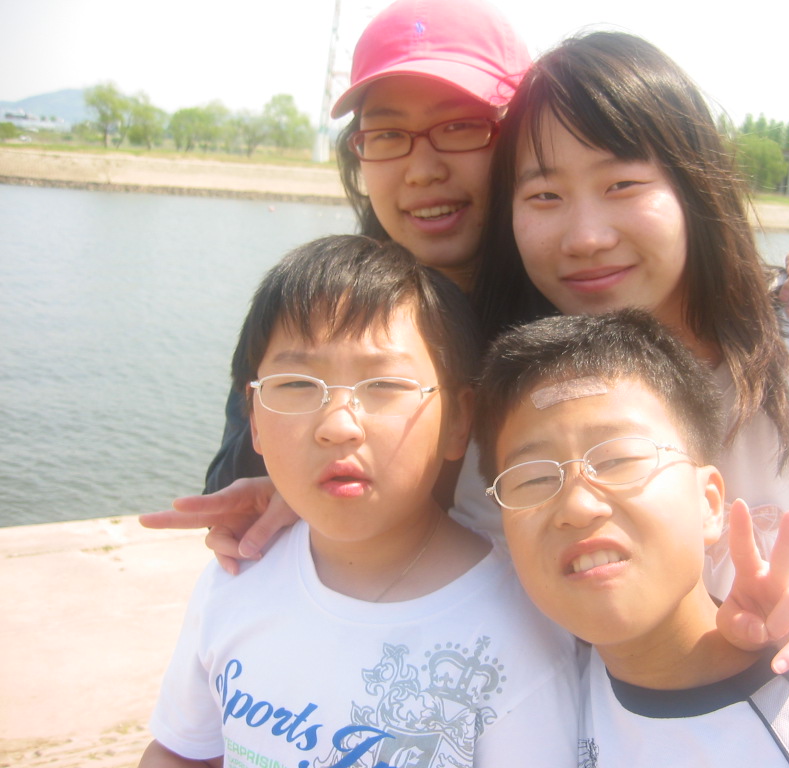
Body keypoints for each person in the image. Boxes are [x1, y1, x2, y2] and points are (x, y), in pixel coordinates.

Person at [193, 0, 789, 506]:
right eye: (387, 135)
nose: (423, 169)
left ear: (523, 140)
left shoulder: (579, 295)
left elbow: (743, 327)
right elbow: (236, 482)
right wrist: (286, 490)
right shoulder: (322, 311)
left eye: (461, 126)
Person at [468, 30, 789, 721]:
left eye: (622, 185)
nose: (587, 236)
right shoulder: (518, 392)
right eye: (544, 196)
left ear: (693, 186)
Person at [139, 235, 579, 767]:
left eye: (384, 384)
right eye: (297, 384)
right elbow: (182, 751)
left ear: (459, 420)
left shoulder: (519, 637)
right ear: (253, 418)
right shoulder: (236, 577)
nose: (338, 425)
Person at [474, 309, 789, 767]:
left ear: (710, 503)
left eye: (618, 459)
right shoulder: (542, 694)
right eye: (534, 479)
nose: (578, 505)